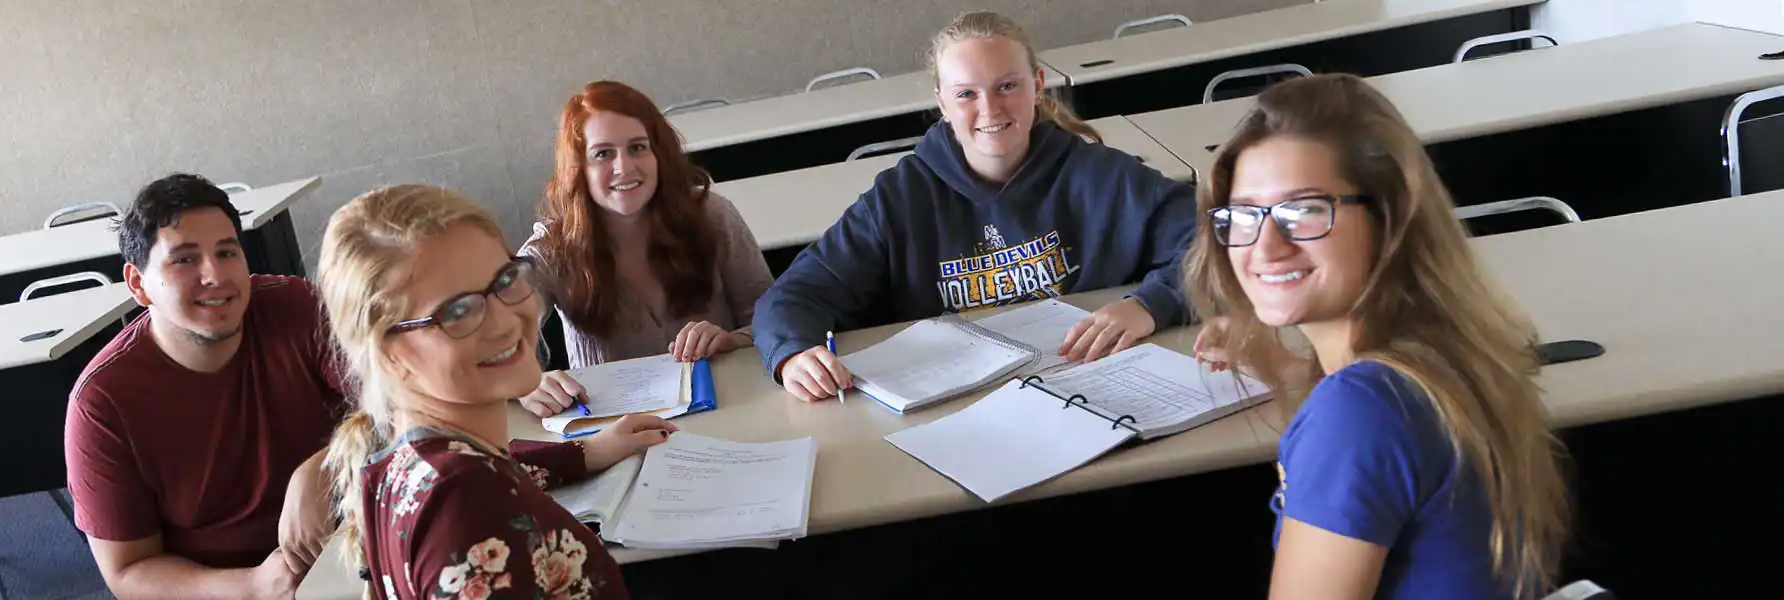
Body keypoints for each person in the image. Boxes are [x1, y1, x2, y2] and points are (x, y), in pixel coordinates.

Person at [1184, 74, 1571, 598]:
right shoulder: (1444, 354)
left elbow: (1366, 430)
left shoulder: (1360, 411)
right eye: (1245, 214)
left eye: (1305, 211)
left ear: (1389, 220)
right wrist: (1282, 364)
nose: (1265, 246)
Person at [752, 10, 1198, 401]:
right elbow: (792, 297)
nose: (990, 108)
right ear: (941, 102)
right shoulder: (900, 198)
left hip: (1089, 388)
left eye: (1007, 86)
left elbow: (1217, 242)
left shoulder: (1100, 176)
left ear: (1037, 86)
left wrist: (1150, 305)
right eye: (966, 94)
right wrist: (792, 353)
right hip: (958, 406)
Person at [318, 184, 677, 599]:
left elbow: (499, 468)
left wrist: (585, 453)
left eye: (505, 279)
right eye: (457, 311)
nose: (507, 321)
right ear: (390, 354)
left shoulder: (400, 465)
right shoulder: (472, 513)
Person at [64, 173, 346, 599]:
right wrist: (254, 586)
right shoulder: (102, 403)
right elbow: (129, 571)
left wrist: (325, 465)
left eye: (227, 252)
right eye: (184, 259)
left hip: (347, 546)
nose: (214, 274)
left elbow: (405, 401)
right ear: (138, 284)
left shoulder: (296, 309)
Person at [519, 80, 774, 417]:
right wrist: (524, 382)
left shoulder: (713, 216)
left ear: (659, 154)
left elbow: (774, 316)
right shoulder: (552, 249)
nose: (624, 167)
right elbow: (491, 334)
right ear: (578, 168)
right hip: (618, 435)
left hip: (731, 411)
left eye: (637, 148)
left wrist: (733, 340)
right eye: (603, 154)